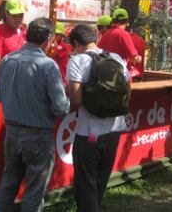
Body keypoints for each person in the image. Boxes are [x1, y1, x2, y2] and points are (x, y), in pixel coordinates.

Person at [0, 18, 70, 212]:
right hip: (38, 136)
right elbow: (60, 108)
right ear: (49, 39)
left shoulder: (7, 60)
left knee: (8, 183)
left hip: (12, 133)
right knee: (34, 191)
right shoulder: (48, 65)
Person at [66, 24, 128, 212]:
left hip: (89, 132)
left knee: (85, 183)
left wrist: (68, 89)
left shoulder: (77, 61)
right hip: (115, 129)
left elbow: (76, 99)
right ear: (95, 38)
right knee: (100, 180)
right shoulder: (115, 58)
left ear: (75, 43)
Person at [0, 0, 26, 69]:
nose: (18, 19)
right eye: (15, 16)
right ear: (7, 14)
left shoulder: (26, 31)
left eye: (21, 15)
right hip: (7, 77)